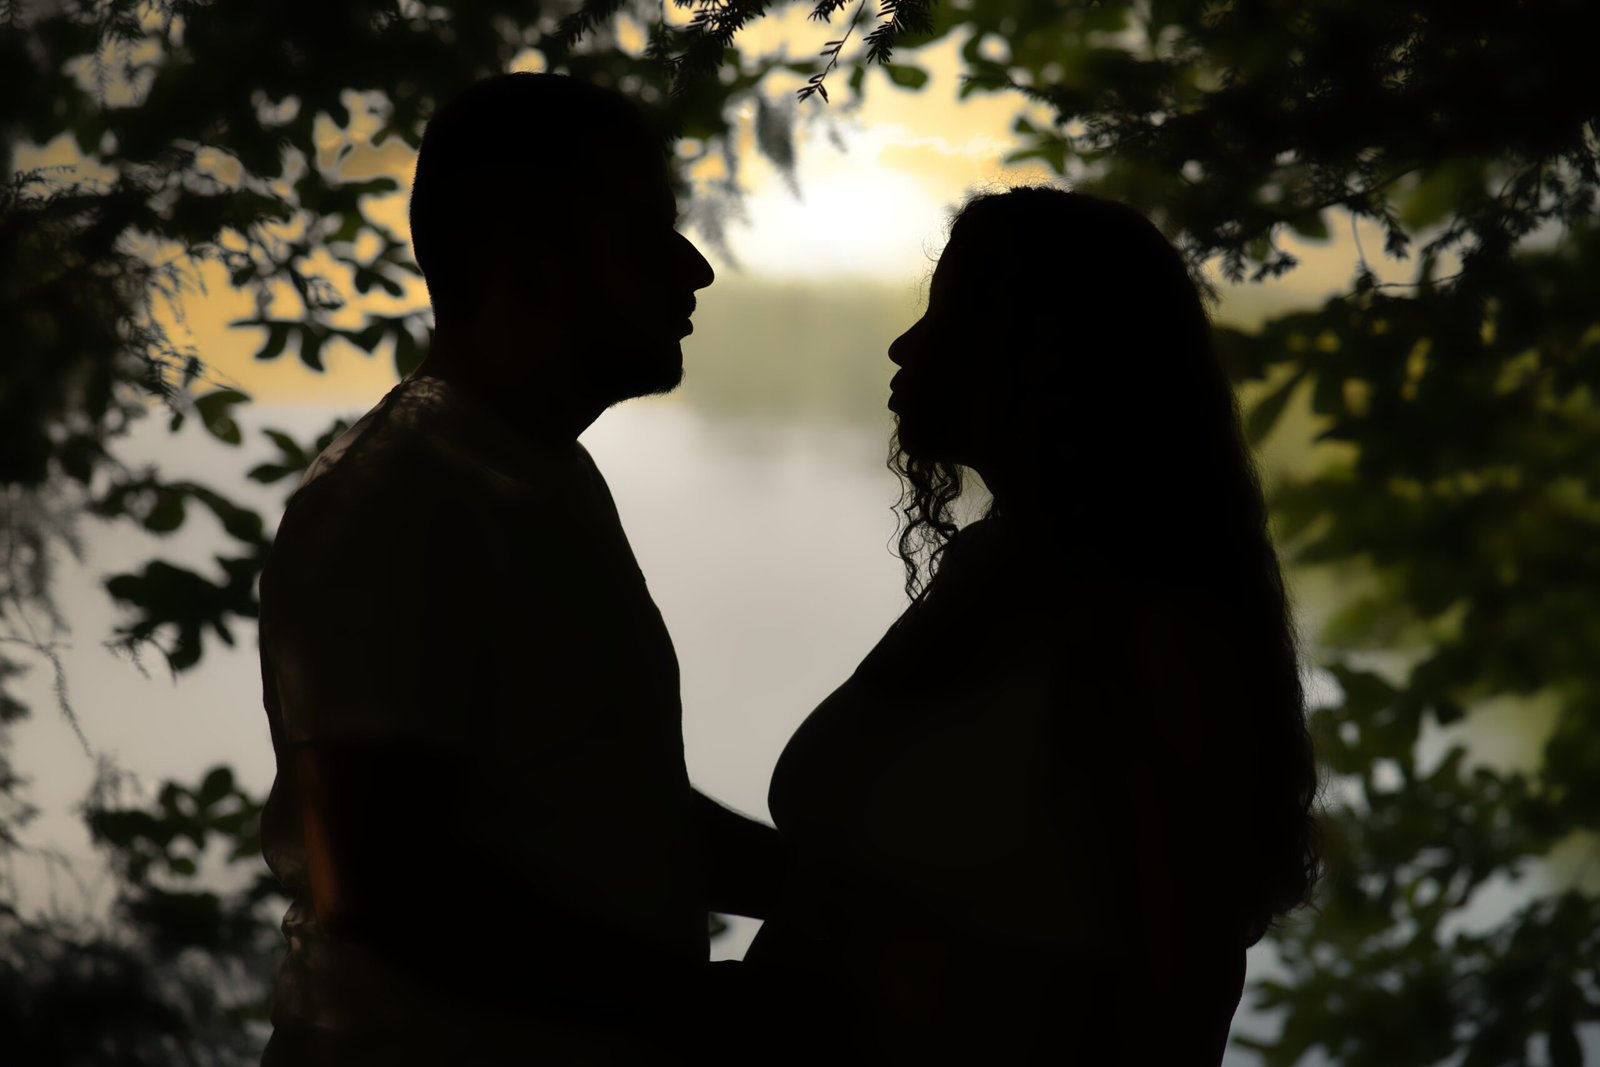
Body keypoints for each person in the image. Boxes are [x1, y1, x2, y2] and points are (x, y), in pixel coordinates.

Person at [257, 73, 781, 1065]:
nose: (693, 269)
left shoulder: (530, 472)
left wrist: (843, 891)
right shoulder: (393, 503)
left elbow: (597, 807)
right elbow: (382, 886)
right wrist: (711, 1008)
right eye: (644, 235)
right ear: (527, 269)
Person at [744, 187, 1322, 1064]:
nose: (904, 347)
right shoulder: (995, 572)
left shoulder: (1149, 626)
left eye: (948, 318)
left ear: (1045, 356)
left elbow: (1183, 991)